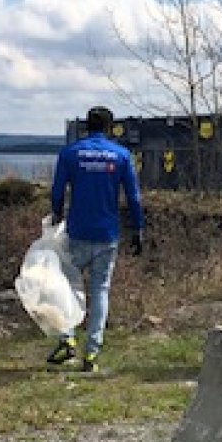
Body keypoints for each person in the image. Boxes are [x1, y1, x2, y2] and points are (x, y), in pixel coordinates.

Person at [48, 106, 144, 372]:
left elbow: (57, 191)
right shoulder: (121, 155)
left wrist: (56, 215)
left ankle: (67, 338)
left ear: (85, 126)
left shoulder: (70, 153)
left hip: (77, 231)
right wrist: (138, 228)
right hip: (107, 233)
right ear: (111, 127)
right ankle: (91, 352)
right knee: (100, 290)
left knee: (67, 286)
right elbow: (134, 197)